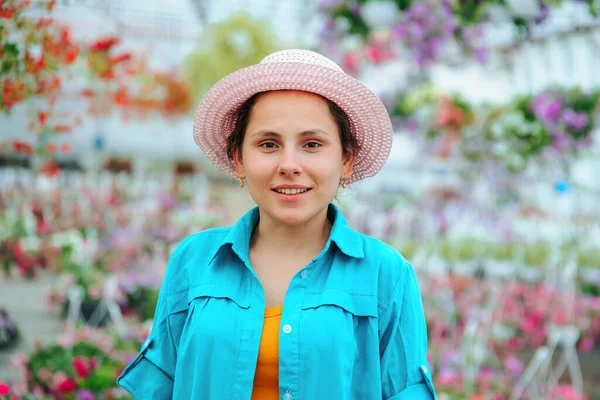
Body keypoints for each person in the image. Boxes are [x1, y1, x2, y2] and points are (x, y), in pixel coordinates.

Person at [116, 49, 437, 400]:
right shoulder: (193, 261)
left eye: (312, 144)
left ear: (346, 160)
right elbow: (161, 386)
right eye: (268, 144)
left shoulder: (386, 274)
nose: (289, 164)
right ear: (238, 159)